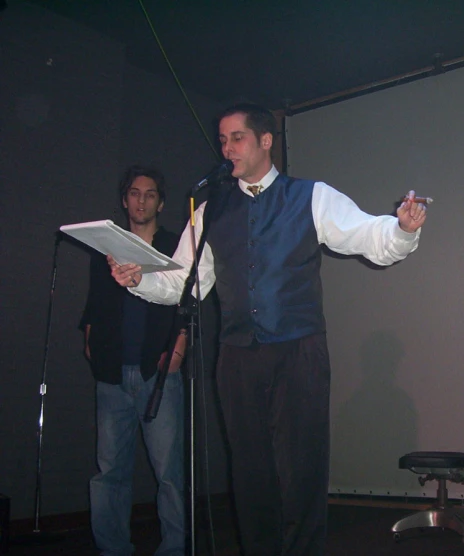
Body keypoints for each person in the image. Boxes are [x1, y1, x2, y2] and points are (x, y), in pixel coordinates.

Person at [108, 103, 428, 556]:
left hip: (299, 351)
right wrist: (140, 279)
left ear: (265, 141)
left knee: (302, 470)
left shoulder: (310, 196)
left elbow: (369, 237)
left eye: (236, 137)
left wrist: (402, 229)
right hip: (237, 356)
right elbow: (186, 281)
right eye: (222, 140)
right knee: (250, 471)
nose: (227, 147)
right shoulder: (211, 207)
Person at [81, 165, 186, 556]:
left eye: (150, 194)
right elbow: (94, 303)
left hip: (156, 373)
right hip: (110, 375)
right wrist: (90, 338)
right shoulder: (106, 248)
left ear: (161, 201)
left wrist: (180, 344)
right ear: (125, 199)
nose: (142, 200)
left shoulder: (174, 244)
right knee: (109, 475)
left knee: (170, 476)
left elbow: (185, 300)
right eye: (135, 193)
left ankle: (174, 549)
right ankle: (113, 550)